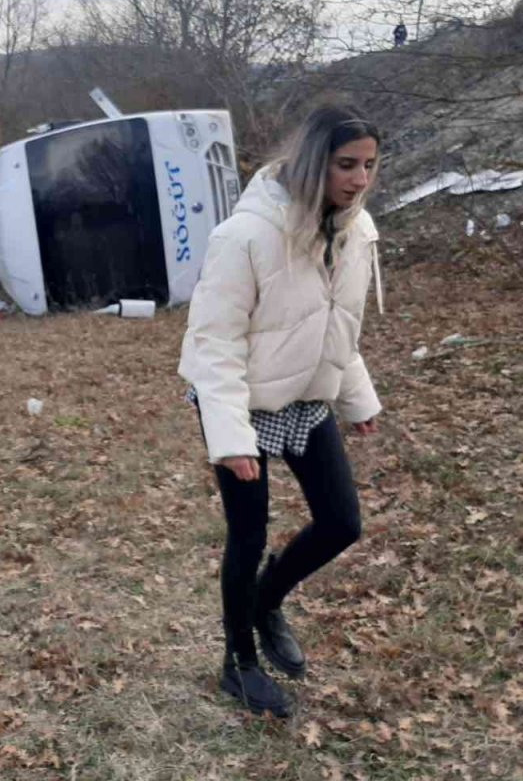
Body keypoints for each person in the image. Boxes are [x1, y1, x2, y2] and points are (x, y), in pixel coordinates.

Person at [178, 103, 384, 719]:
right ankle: (237, 663)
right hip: (240, 398)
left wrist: (356, 397)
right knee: (248, 532)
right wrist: (231, 437)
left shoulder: (354, 229)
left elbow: (334, 323)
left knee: (342, 522)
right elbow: (213, 341)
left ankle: (266, 600)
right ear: (314, 160)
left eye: (370, 165)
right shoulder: (245, 234)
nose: (360, 178)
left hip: (306, 397)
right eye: (347, 164)